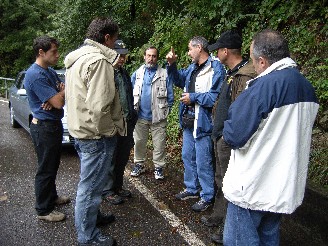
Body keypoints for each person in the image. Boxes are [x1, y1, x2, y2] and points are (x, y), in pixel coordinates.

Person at [222, 29, 319, 245]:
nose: (254, 66)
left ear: (263, 61)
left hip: (252, 188)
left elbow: (234, 135)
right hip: (282, 186)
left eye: (254, 61)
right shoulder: (307, 88)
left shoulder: (263, 88)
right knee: (269, 237)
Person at [65, 17, 125, 246]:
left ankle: (92, 218)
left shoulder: (76, 58)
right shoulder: (99, 61)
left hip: (80, 131)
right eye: (115, 39)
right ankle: (87, 237)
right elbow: (100, 107)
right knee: (90, 188)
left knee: (92, 184)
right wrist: (109, 132)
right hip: (95, 135)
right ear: (107, 37)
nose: (115, 44)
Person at [200, 30, 257, 244]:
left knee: (231, 183)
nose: (215, 55)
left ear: (225, 51)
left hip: (228, 138)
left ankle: (228, 229)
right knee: (220, 178)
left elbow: (241, 112)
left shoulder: (245, 74)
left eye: (218, 51)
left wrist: (227, 136)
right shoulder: (233, 71)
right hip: (220, 135)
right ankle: (219, 215)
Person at [166, 36, 226, 212]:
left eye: (190, 49)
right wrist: (171, 65)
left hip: (204, 122)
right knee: (187, 155)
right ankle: (192, 188)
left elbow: (216, 97)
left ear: (199, 47)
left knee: (203, 161)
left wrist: (193, 97)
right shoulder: (193, 68)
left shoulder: (216, 68)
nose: (188, 52)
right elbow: (178, 80)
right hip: (188, 120)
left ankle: (207, 195)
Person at [24, 36, 70, 222]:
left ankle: (51, 197)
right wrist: (58, 95)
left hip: (52, 125)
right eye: (54, 52)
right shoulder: (35, 75)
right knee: (45, 169)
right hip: (44, 127)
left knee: (52, 165)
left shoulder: (49, 71)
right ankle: (43, 210)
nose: (57, 55)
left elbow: (62, 93)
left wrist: (58, 94)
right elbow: (60, 100)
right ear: (41, 52)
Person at [102, 40, 138, 205]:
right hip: (113, 124)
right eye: (119, 54)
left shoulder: (123, 72)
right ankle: (107, 190)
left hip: (127, 122)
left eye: (124, 55)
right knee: (110, 158)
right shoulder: (106, 72)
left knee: (122, 157)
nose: (122, 58)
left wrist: (133, 115)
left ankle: (117, 187)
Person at [130, 46, 174, 180]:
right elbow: (130, 92)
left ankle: (159, 168)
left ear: (157, 57)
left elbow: (170, 96)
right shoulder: (137, 73)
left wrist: (166, 111)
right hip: (140, 116)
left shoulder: (165, 74)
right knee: (139, 143)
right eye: (148, 55)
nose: (151, 58)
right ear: (144, 56)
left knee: (159, 145)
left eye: (154, 56)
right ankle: (139, 164)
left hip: (158, 117)